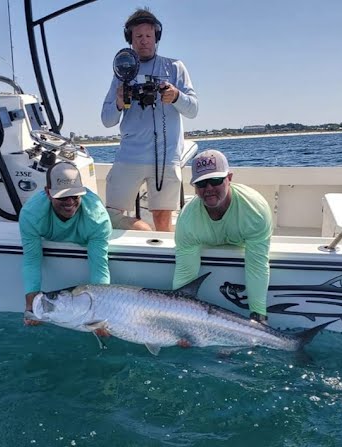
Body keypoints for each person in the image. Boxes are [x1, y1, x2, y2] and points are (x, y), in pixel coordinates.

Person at [101, 8, 198, 232]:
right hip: (130, 154)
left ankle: (164, 259)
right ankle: (142, 233)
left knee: (163, 217)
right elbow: (107, 120)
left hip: (166, 156)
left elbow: (193, 109)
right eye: (138, 37)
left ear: (156, 37)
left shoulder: (175, 68)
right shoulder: (121, 72)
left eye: (148, 36)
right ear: (130, 40)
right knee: (111, 215)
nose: (144, 41)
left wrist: (176, 96)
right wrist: (118, 101)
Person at [172, 150, 273, 323]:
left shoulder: (255, 210)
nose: (209, 188)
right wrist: (178, 320)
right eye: (202, 183)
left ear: (230, 178)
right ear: (195, 187)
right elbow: (185, 274)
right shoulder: (187, 219)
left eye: (216, 180)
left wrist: (259, 315)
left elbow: (257, 266)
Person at [19, 161, 112, 325]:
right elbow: (32, 260)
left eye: (75, 195)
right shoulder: (30, 215)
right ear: (48, 192)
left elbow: (99, 266)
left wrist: (100, 315)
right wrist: (31, 305)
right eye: (62, 195)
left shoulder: (98, 218)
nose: (70, 202)